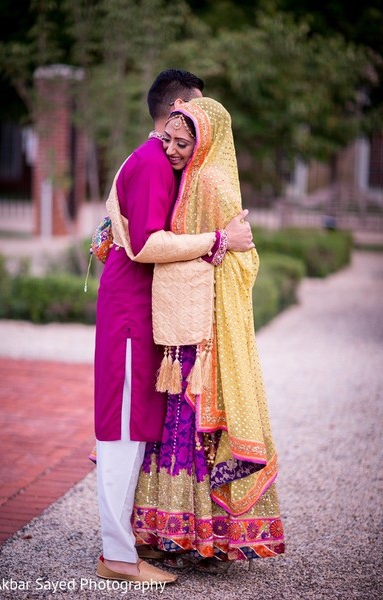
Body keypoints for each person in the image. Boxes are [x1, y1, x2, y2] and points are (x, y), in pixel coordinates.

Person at [94, 71, 254, 585]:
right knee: (121, 430)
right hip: (128, 312)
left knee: (136, 427)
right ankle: (116, 555)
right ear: (181, 106)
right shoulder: (152, 164)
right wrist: (218, 239)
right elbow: (144, 245)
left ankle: (125, 544)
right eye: (198, 109)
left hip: (141, 311)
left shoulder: (157, 161)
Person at [131, 98, 285, 571]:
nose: (174, 150)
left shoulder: (214, 184)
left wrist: (217, 253)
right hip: (181, 328)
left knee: (199, 432)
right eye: (170, 140)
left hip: (207, 334)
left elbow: (245, 258)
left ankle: (212, 540)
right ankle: (169, 532)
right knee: (173, 429)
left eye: (184, 142)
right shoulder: (180, 179)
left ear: (206, 142)